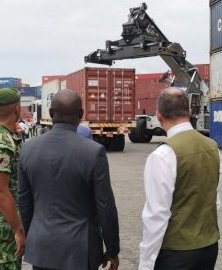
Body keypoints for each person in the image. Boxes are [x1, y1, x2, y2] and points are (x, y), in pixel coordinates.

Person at [18, 89, 120, 270]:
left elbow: (24, 202)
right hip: (80, 251)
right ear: (81, 114)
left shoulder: (28, 149)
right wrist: (112, 249)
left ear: (50, 114)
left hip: (42, 249)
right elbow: (105, 206)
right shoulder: (93, 152)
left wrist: (29, 236)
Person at [139, 87, 221, 270]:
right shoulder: (213, 147)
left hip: (176, 252)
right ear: (190, 112)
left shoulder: (163, 154)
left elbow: (156, 215)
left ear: (158, 115)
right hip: (209, 247)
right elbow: (216, 199)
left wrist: (146, 263)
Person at [0, 88, 25, 270]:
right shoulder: (4, 142)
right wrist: (17, 229)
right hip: (4, 231)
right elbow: (1, 190)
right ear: (17, 109)